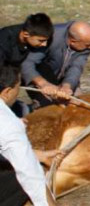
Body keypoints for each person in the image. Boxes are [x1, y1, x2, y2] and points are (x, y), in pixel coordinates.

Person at [0, 66, 59, 206]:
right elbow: (30, 175)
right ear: (7, 92)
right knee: (22, 180)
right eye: (18, 88)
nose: (18, 93)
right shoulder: (8, 123)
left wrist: (37, 154)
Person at [21, 21, 90, 109]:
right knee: (50, 107)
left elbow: (76, 67)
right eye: (88, 45)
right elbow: (27, 63)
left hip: (63, 77)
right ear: (72, 41)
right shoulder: (49, 38)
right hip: (39, 75)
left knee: (79, 105)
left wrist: (67, 86)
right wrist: (43, 84)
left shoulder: (89, 42)